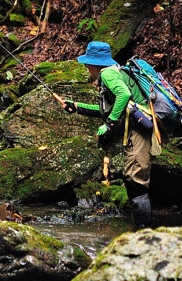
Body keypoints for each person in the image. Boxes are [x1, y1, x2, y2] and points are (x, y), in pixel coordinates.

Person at [61, 41, 158, 227]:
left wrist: (109, 124)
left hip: (139, 127)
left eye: (87, 64)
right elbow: (108, 108)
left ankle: (144, 232)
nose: (87, 68)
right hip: (134, 128)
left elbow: (124, 95)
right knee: (131, 177)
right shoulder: (113, 71)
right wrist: (77, 107)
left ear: (92, 64)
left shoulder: (107, 73)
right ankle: (141, 230)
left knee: (136, 179)